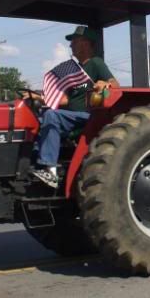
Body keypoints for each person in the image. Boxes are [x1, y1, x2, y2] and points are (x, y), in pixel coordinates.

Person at [31, 26, 120, 188]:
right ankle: (32, 162)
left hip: (87, 116)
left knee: (52, 115)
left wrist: (104, 84)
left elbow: (115, 85)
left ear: (86, 44)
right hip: (71, 116)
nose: (71, 45)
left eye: (74, 41)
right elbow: (64, 100)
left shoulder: (95, 63)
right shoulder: (76, 71)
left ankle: (49, 169)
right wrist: (38, 98)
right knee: (39, 117)